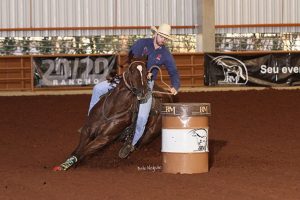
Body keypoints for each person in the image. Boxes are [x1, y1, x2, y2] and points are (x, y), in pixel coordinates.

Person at [88, 23, 180, 158]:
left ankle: (132, 144)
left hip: (147, 84)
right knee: (98, 89)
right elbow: (131, 60)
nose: (163, 40)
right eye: (161, 36)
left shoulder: (165, 54)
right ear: (156, 34)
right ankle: (91, 120)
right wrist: (142, 72)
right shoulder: (141, 43)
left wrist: (175, 86)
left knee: (142, 117)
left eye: (166, 38)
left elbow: (174, 72)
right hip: (129, 79)